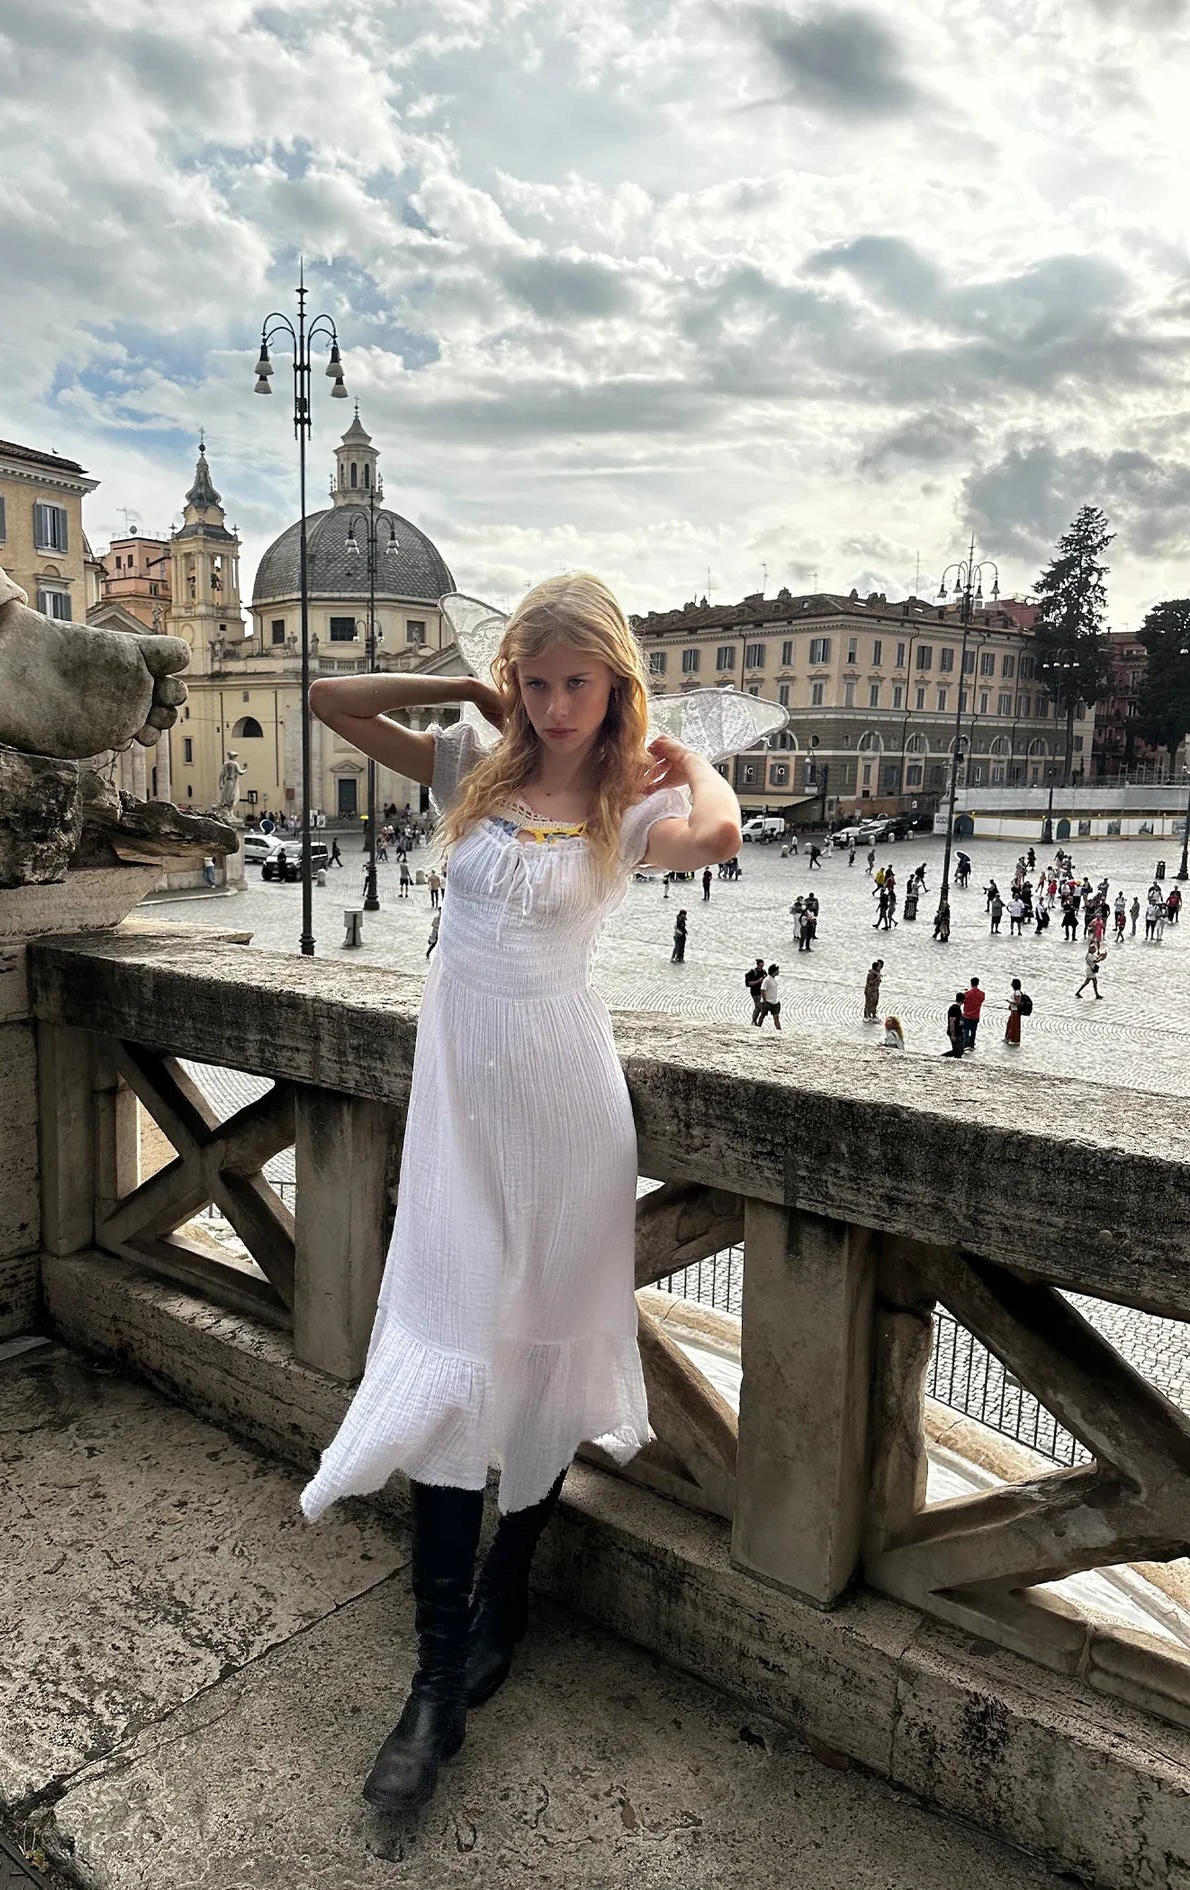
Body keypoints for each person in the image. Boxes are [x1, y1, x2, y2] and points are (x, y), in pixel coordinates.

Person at [299, 570, 742, 1813]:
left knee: (544, 1358)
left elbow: (722, 839)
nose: (553, 705)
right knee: (451, 1354)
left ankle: (508, 1589)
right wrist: (460, 681)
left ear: (613, 683)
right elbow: (332, 700)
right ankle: (435, 1681)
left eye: (575, 682)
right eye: (536, 681)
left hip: (567, 1112)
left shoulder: (630, 796)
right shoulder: (470, 765)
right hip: (459, 1116)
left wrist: (689, 761)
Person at [960, 977, 985, 1049]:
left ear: (971, 983)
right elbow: (981, 1000)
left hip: (967, 1015)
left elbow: (962, 1001)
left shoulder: (967, 994)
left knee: (966, 1031)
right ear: (978, 983)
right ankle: (972, 1044)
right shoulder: (982, 994)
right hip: (976, 1016)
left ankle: (965, 1044)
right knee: (973, 1031)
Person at [756, 964, 782, 1030]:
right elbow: (763, 990)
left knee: (776, 1017)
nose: (778, 971)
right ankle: (758, 1027)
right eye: (777, 970)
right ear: (774, 971)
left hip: (774, 1002)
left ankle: (779, 1029)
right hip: (767, 1002)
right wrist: (765, 1001)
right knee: (762, 1016)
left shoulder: (773, 980)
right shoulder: (767, 980)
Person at [1005, 978, 1029, 1045]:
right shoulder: (1016, 992)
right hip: (1013, 1011)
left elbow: (1018, 1002)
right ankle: (1009, 1038)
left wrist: (1010, 1002)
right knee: (1010, 1024)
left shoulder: (1017, 992)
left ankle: (1012, 1039)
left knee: (1014, 1025)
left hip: (1016, 1011)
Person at [745, 957, 767, 1023]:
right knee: (759, 1007)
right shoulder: (752, 972)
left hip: (761, 992)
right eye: (760, 965)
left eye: (762, 966)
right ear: (757, 965)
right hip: (755, 992)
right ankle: (754, 1021)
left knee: (757, 1008)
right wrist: (758, 981)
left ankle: (754, 1021)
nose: (761, 967)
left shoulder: (764, 972)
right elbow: (748, 983)